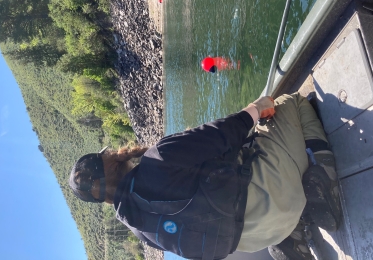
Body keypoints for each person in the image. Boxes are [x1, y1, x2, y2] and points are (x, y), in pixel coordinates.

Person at [69, 93, 341, 260]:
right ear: (109, 161)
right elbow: (226, 132)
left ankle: (289, 238)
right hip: (278, 195)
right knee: (290, 101)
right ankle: (323, 177)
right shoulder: (156, 161)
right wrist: (257, 107)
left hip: (256, 238)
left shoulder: (138, 227)